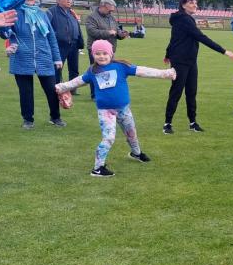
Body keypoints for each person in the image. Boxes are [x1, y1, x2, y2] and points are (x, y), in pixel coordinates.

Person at [55, 40, 176, 177]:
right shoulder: (92, 71)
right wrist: (61, 87)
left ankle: (136, 153)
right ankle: (98, 168)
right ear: (93, 55)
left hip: (124, 109)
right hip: (106, 112)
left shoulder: (121, 66)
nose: (101, 56)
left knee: (131, 133)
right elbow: (77, 81)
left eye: (104, 53)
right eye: (97, 54)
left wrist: (166, 73)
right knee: (109, 138)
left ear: (111, 53)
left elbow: (143, 71)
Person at [162, 0, 233, 134]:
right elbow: (201, 37)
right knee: (176, 91)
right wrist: (223, 51)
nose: (195, 5)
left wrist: (167, 54)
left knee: (191, 92)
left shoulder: (184, 19)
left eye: (195, 3)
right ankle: (167, 124)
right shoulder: (184, 19)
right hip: (180, 62)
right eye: (191, 3)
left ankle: (193, 123)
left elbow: (174, 38)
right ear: (183, 5)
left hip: (191, 61)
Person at [5, 0, 65, 129]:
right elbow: (7, 32)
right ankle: (28, 120)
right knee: (25, 92)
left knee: (51, 89)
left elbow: (51, 37)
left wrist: (57, 58)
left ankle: (55, 117)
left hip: (44, 57)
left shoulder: (42, 14)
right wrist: (11, 43)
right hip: (21, 57)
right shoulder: (14, 13)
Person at [85, 0, 127, 100]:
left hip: (110, 50)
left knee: (109, 71)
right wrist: (108, 32)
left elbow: (116, 29)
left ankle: (107, 93)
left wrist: (121, 34)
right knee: (96, 71)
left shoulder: (111, 17)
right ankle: (95, 95)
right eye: (109, 10)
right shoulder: (91, 17)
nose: (110, 12)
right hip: (96, 51)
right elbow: (92, 31)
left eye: (111, 10)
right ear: (103, 6)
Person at [46, 0, 84, 86]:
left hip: (74, 45)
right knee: (57, 68)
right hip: (59, 45)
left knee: (74, 69)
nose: (69, 1)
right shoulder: (51, 12)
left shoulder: (71, 12)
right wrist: (56, 36)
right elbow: (46, 28)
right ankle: (56, 88)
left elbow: (76, 26)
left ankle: (73, 89)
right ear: (58, 0)